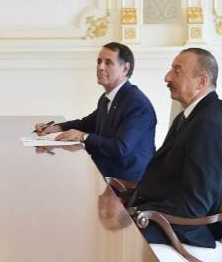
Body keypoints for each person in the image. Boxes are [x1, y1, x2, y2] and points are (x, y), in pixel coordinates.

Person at [127, 48, 222, 248]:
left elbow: (196, 205)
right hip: (161, 213)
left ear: (201, 82)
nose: (167, 77)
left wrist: (139, 212)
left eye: (177, 71)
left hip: (182, 227)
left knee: (105, 235)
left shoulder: (209, 124)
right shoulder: (192, 115)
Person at [35, 42, 157, 182]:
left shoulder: (137, 104)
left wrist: (83, 137)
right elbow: (87, 124)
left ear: (125, 68)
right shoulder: (107, 98)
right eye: (99, 61)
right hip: (103, 173)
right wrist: (56, 128)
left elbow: (120, 148)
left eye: (108, 62)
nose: (100, 67)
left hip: (126, 182)